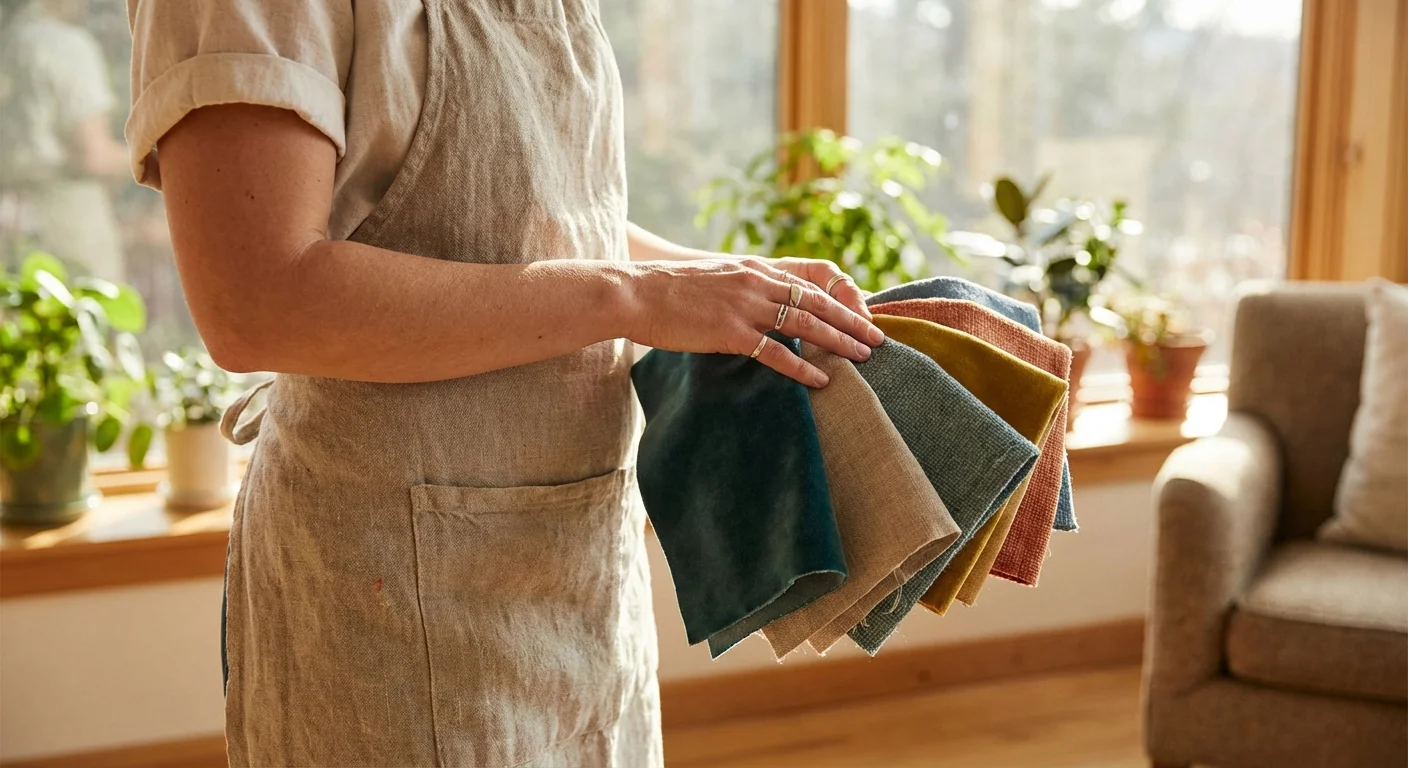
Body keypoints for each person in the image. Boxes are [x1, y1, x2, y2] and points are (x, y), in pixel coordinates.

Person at [127, 1, 885, 765]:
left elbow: (534, 223)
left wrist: (719, 282)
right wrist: (638, 296)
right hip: (388, 600)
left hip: (580, 570)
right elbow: (258, 303)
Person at [0, 0, 129, 278]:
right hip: (65, 221)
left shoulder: (7, 41)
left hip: (9, 220)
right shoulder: (66, 46)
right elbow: (92, 155)